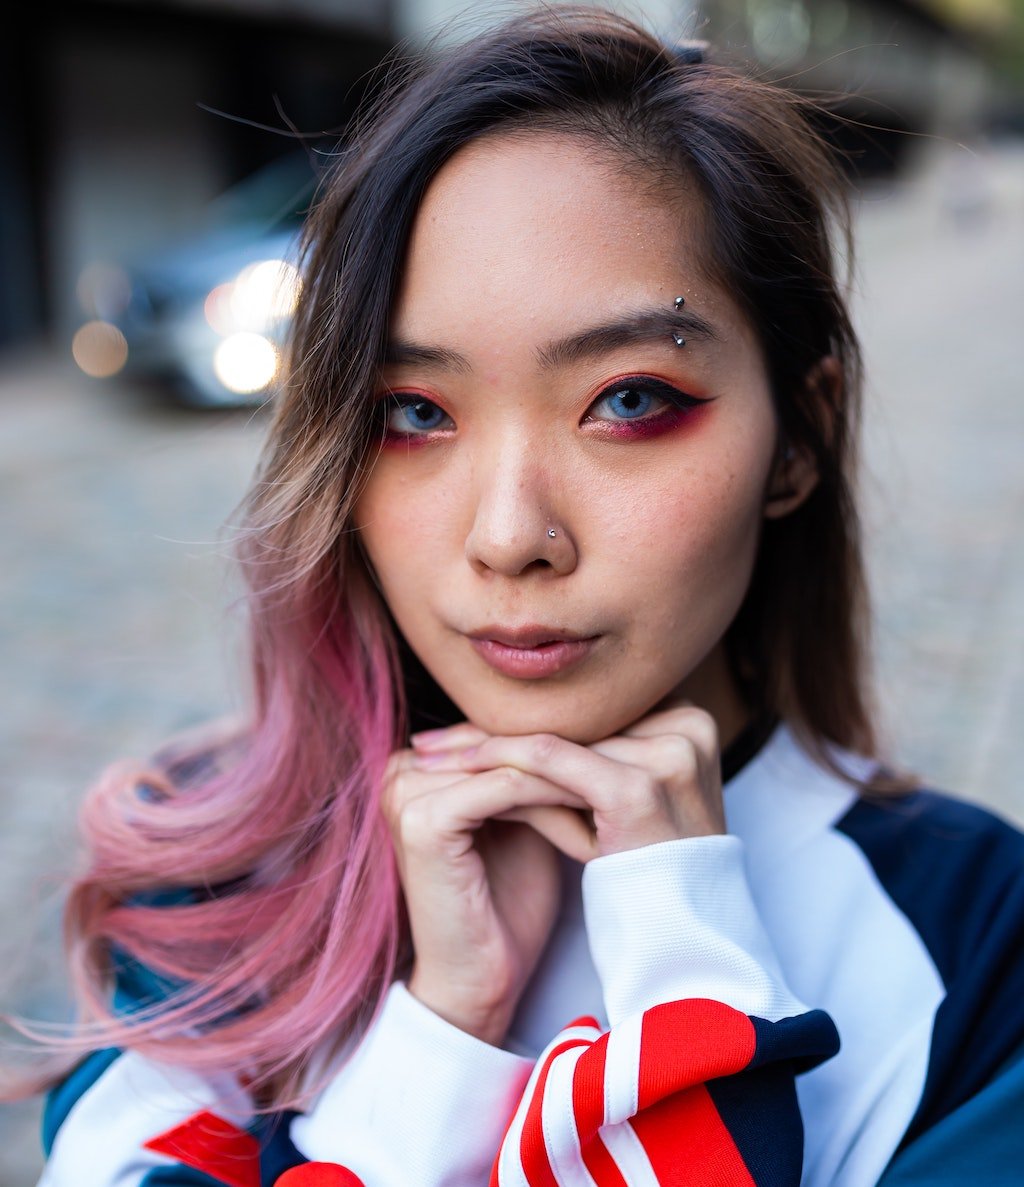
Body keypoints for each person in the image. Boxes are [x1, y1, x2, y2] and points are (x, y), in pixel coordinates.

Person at [21, 7, 1024, 1186]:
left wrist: (686, 962)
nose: (508, 537)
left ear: (797, 436)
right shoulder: (219, 865)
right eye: (414, 413)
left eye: (630, 400)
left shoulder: (976, 938)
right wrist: (440, 1031)